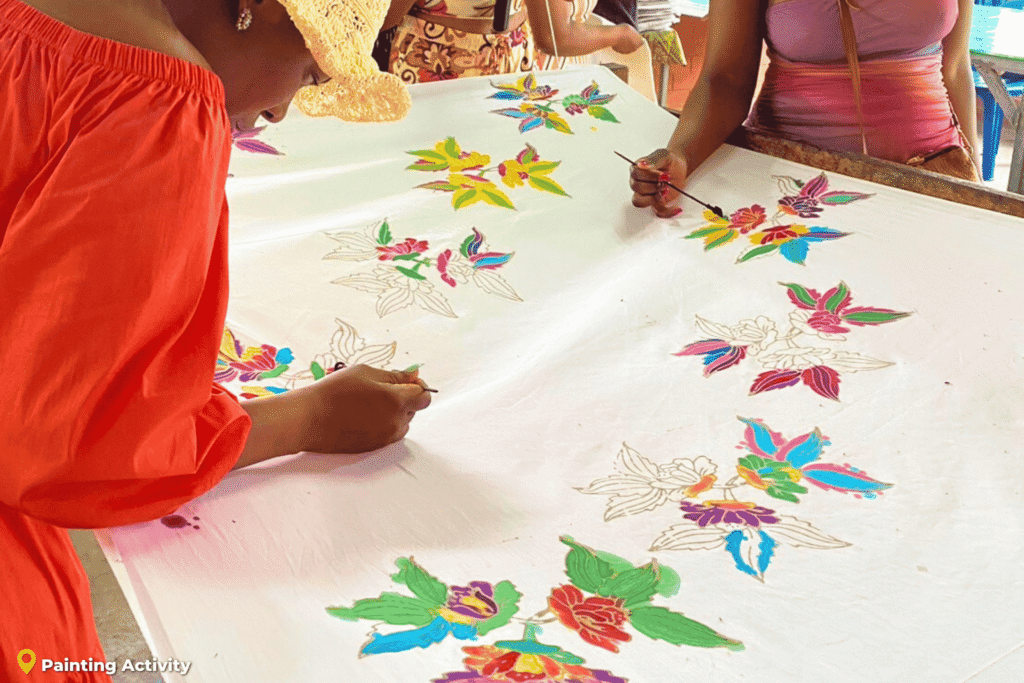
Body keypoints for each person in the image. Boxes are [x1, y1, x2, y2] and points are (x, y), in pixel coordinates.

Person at [0, 0, 428, 679]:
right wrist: (306, 417)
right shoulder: (159, 99)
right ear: (263, 8)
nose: (282, 109)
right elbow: (72, 449)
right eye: (312, 70)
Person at [630, 0, 980, 218]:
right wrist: (683, 153)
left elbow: (955, 68)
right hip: (788, 183)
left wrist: (975, 179)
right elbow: (725, 78)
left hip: (931, 173)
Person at [377, 0, 643, 82]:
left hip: (429, 59)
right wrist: (620, 34)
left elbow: (382, 19)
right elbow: (555, 37)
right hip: (508, 59)